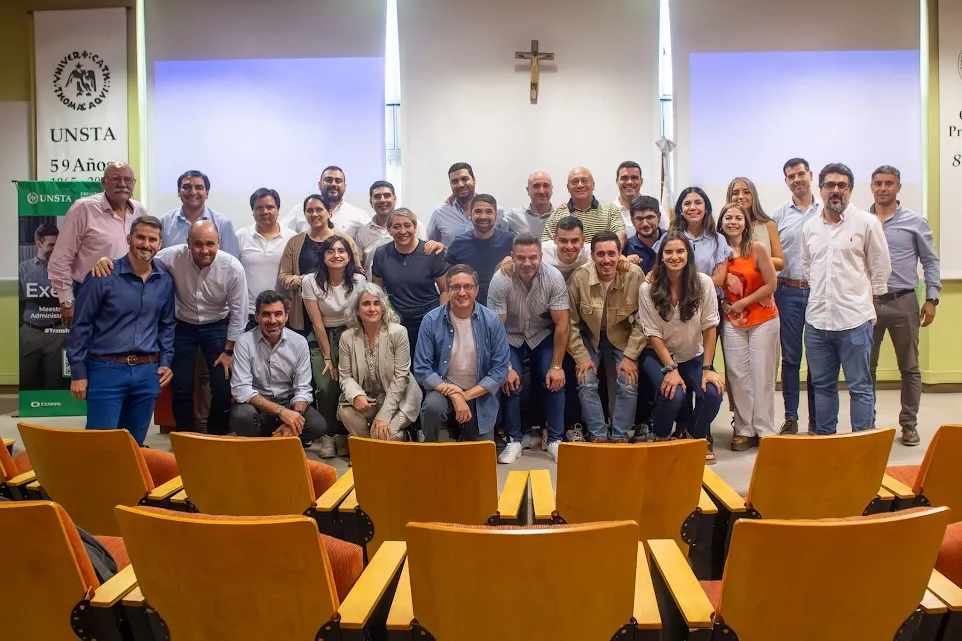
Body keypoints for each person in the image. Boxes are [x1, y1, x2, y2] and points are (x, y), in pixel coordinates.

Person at [93, 220, 247, 435]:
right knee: (181, 385)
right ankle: (185, 437)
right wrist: (106, 261)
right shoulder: (170, 256)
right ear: (188, 243)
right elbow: (138, 257)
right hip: (182, 325)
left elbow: (239, 314)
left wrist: (229, 351)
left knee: (222, 387)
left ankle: (216, 436)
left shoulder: (232, 267)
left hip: (217, 326)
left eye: (210, 244)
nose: (204, 250)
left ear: (219, 243)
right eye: (198, 244)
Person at [66, 216, 175, 445]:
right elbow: (81, 325)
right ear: (129, 239)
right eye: (140, 237)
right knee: (101, 444)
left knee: (134, 445)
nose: (146, 244)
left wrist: (165, 361)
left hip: (147, 372)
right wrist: (78, 372)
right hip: (107, 369)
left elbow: (167, 325)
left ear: (160, 244)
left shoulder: (164, 279)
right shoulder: (103, 275)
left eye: (152, 239)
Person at [803, 163, 891, 435]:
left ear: (850, 190)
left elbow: (880, 267)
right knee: (823, 387)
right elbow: (809, 268)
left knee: (860, 387)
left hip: (855, 321)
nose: (836, 191)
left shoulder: (867, 223)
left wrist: (865, 305)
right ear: (821, 190)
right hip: (818, 322)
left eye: (842, 185)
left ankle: (862, 446)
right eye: (830, 185)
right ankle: (827, 444)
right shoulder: (810, 227)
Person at [868, 165, 940, 446]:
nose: (883, 188)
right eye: (877, 183)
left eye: (889, 183)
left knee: (909, 367)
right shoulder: (861, 220)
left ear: (898, 187)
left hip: (903, 302)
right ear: (871, 187)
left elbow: (931, 261)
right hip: (868, 304)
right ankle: (868, 423)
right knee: (866, 368)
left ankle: (909, 424)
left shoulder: (915, 221)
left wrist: (931, 298)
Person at [638, 231, 724, 464]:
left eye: (680, 251)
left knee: (714, 393)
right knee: (674, 394)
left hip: (693, 355)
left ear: (689, 254)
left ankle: (694, 435)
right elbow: (652, 333)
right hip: (657, 355)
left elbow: (710, 327)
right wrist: (671, 369)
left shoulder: (704, 283)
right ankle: (661, 436)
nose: (674, 257)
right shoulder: (648, 288)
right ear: (661, 256)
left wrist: (708, 368)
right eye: (669, 252)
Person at [487, 233, 569, 462]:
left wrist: (557, 365)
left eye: (533, 257)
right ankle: (514, 440)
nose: (526, 263)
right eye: (520, 258)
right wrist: (506, 366)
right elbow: (495, 328)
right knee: (510, 381)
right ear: (512, 256)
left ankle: (554, 439)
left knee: (552, 379)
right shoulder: (500, 279)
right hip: (508, 335)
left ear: (542, 256)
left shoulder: (554, 278)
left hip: (541, 333)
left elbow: (562, 324)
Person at [413, 264, 510, 442]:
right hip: (443, 389)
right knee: (433, 407)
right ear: (447, 289)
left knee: (479, 457)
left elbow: (500, 370)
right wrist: (453, 394)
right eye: (455, 287)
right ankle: (430, 448)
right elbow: (422, 368)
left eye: (468, 287)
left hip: (479, 391)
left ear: (477, 290)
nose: (462, 292)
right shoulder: (431, 320)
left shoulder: (492, 320)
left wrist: (464, 395)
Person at [567, 232, 646, 443]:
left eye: (612, 253)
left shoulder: (635, 275)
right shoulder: (580, 277)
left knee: (628, 381)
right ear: (592, 255)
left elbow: (644, 321)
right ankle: (597, 434)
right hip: (589, 337)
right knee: (586, 381)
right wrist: (581, 356)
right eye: (600, 254)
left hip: (623, 337)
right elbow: (569, 323)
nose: (606, 260)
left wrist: (630, 356)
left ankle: (620, 434)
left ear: (620, 254)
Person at [48, 162, 146, 326]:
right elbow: (61, 258)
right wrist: (66, 301)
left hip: (131, 294)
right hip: (91, 294)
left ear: (134, 184)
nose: (122, 184)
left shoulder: (139, 211)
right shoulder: (83, 209)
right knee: (89, 348)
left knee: (123, 348)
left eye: (128, 180)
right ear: (103, 182)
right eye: (115, 179)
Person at [717, 204, 779, 449]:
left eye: (738, 218)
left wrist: (743, 301)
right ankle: (744, 428)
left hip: (763, 318)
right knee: (738, 377)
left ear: (747, 223)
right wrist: (724, 302)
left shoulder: (757, 249)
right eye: (728, 218)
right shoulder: (717, 252)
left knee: (762, 375)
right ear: (721, 223)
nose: (733, 222)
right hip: (732, 320)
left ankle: (764, 429)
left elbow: (771, 284)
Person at [230, 291, 327, 446]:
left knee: (317, 425)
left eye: (278, 314)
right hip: (257, 406)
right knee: (242, 416)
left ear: (286, 316)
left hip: (288, 403)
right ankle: (270, 444)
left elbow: (303, 388)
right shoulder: (244, 342)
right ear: (256, 317)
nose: (272, 320)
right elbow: (241, 389)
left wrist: (293, 417)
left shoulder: (299, 342)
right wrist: (281, 412)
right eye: (266, 314)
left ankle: (278, 436)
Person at [770, 158, 821, 435]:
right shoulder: (777, 216)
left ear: (810, 175)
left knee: (817, 358)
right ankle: (791, 417)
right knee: (791, 358)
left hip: (819, 293)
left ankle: (816, 419)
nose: (797, 179)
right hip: (787, 292)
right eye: (791, 176)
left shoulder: (826, 210)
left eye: (801, 174)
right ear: (786, 181)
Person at [302, 235, 366, 457]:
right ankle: (328, 437)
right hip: (322, 336)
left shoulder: (358, 281)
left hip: (352, 334)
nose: (336, 255)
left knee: (350, 383)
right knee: (327, 386)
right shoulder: (310, 280)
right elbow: (317, 323)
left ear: (349, 256)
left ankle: (345, 436)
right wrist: (329, 357)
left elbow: (360, 317)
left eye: (341, 251)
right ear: (323, 256)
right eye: (330, 251)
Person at [337, 283, 422, 440]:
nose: (372, 309)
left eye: (377, 303)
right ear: (357, 309)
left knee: (384, 436)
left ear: (383, 308)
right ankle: (368, 444)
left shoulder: (398, 332)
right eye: (366, 304)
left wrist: (384, 415)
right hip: (369, 399)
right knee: (346, 412)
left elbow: (401, 376)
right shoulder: (347, 337)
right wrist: (356, 396)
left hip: (399, 399)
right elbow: (345, 376)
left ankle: (400, 436)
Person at [277, 194, 362, 336]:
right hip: (303, 311)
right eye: (309, 210)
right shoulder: (295, 242)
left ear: (329, 212)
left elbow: (358, 272)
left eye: (319, 209)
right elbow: (283, 276)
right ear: (304, 214)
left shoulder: (345, 239)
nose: (314, 214)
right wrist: (303, 281)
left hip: (341, 313)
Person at [372, 208, 450, 356]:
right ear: (389, 230)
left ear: (415, 227)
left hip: (428, 320)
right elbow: (377, 291)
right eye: (396, 226)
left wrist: (441, 319)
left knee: (426, 364)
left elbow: (445, 289)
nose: (402, 231)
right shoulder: (381, 253)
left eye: (407, 225)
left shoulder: (430, 251)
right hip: (396, 322)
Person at [354, 181, 441, 279]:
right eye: (377, 196)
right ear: (371, 202)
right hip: (374, 288)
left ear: (395, 200)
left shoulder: (414, 226)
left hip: (410, 289)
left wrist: (438, 246)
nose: (382, 200)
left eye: (387, 195)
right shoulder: (363, 232)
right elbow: (358, 265)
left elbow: (426, 253)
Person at [236, 188, 296, 330]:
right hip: (250, 313)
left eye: (270, 207)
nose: (265, 212)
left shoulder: (292, 238)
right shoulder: (240, 236)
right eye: (259, 208)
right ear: (253, 211)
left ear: (278, 209)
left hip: (281, 314)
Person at [445, 194, 517, 305]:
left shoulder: (510, 240)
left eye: (489, 212)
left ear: (496, 215)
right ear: (470, 214)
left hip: (504, 305)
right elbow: (447, 275)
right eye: (478, 211)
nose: (483, 216)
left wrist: (514, 260)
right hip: (468, 305)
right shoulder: (459, 242)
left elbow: (527, 261)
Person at [19, 223, 66, 390]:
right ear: (38, 243)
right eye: (51, 245)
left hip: (58, 334)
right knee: (27, 379)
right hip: (30, 333)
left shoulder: (66, 268)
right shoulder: (23, 269)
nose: (56, 249)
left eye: (58, 244)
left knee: (55, 382)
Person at [657, 187, 731, 287]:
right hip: (675, 298)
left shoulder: (718, 239)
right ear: (680, 210)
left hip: (708, 298)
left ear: (706, 209)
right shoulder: (668, 238)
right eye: (687, 203)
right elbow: (660, 274)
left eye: (698, 203)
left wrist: (687, 287)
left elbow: (718, 280)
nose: (692, 207)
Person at [158, 170, 240, 258]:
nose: (193, 192)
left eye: (198, 187)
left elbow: (230, 262)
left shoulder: (223, 224)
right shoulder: (164, 222)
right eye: (187, 187)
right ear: (178, 192)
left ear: (207, 193)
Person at [426, 162, 506, 247]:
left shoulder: (496, 211)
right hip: (450, 260)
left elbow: (506, 243)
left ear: (474, 179)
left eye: (464, 179)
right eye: (454, 181)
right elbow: (429, 244)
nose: (460, 185)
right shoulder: (439, 213)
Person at [540, 167, 627, 245]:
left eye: (584, 181)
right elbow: (546, 245)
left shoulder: (610, 210)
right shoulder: (557, 215)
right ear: (568, 188)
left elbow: (620, 235)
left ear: (593, 185)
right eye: (574, 182)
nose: (580, 185)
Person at [282, 166, 371, 237]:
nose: (333, 184)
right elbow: (281, 233)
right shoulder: (300, 210)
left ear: (345, 186)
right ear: (319, 185)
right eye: (328, 180)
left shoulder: (358, 215)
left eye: (338, 181)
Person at [726, 177, 784, 271]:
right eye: (735, 193)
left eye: (746, 192)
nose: (741, 196)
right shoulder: (724, 228)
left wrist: (755, 257)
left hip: (765, 283)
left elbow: (780, 263)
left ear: (754, 196)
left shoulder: (768, 225)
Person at [623, 195, 666, 274]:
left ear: (659, 217)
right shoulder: (626, 248)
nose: (645, 224)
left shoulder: (672, 241)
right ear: (632, 221)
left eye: (650, 217)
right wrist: (626, 266)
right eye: (639, 219)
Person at [504, 171, 554, 237]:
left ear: (551, 189)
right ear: (528, 190)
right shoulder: (514, 216)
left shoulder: (561, 217)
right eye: (536, 186)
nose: (541, 191)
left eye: (546, 186)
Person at [541, 216, 590, 281]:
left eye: (574, 241)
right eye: (563, 241)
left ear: (583, 240)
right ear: (554, 239)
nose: (569, 247)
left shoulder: (591, 254)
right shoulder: (542, 252)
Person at [612, 161, 644, 237]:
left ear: (641, 181)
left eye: (634, 178)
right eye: (624, 178)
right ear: (617, 182)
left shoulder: (655, 208)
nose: (629, 182)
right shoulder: (608, 211)